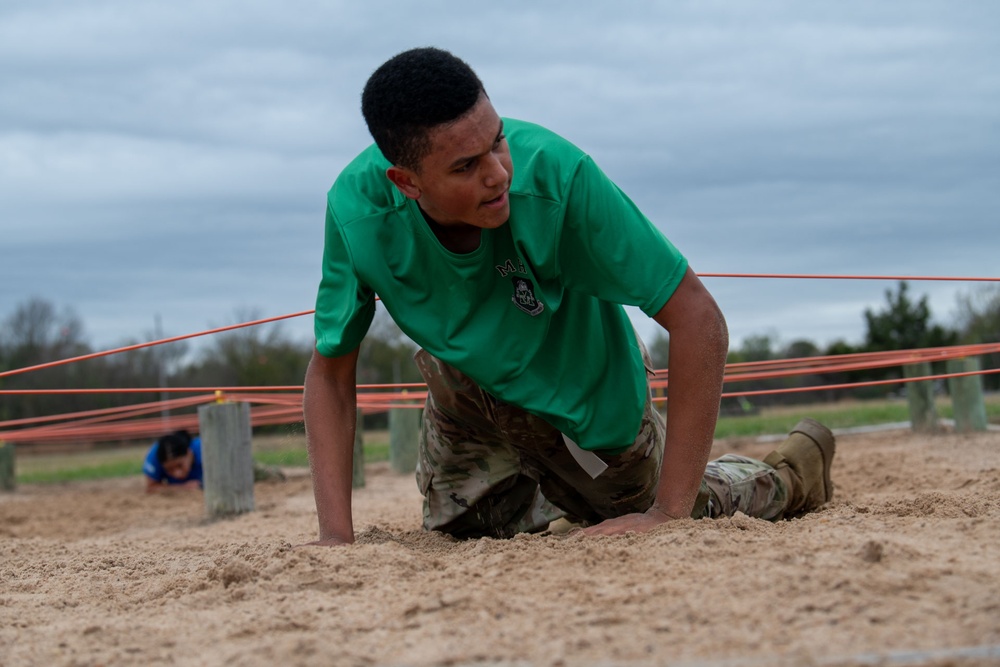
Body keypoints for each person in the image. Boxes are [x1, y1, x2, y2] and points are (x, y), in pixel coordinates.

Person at [303, 47, 835, 546]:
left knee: (657, 507)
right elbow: (329, 374)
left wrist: (666, 513)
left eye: (498, 140)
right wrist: (336, 539)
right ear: (407, 183)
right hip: (471, 390)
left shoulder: (560, 176)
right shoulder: (356, 213)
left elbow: (700, 318)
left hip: (583, 393)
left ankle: (794, 468)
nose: (497, 174)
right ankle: (547, 490)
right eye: (466, 166)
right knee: (467, 530)